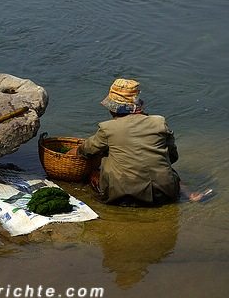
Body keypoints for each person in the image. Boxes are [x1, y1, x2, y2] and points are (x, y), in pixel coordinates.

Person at [67, 78, 182, 206]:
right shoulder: (159, 122)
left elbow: (86, 150)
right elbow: (172, 157)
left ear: (113, 108)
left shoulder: (108, 128)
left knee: (94, 173)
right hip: (165, 193)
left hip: (125, 197)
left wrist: (72, 152)